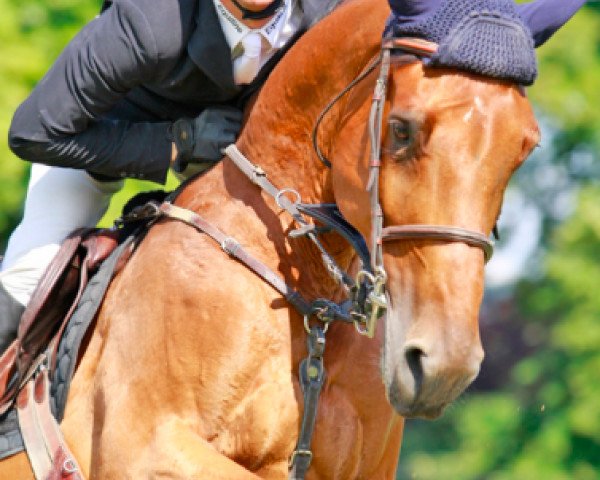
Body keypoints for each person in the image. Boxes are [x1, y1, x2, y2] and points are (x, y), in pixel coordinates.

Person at [0, 0, 340, 456]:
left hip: (238, 156)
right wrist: (176, 142)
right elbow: (34, 131)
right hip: (103, 135)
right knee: (31, 274)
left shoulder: (329, 10)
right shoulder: (152, 18)